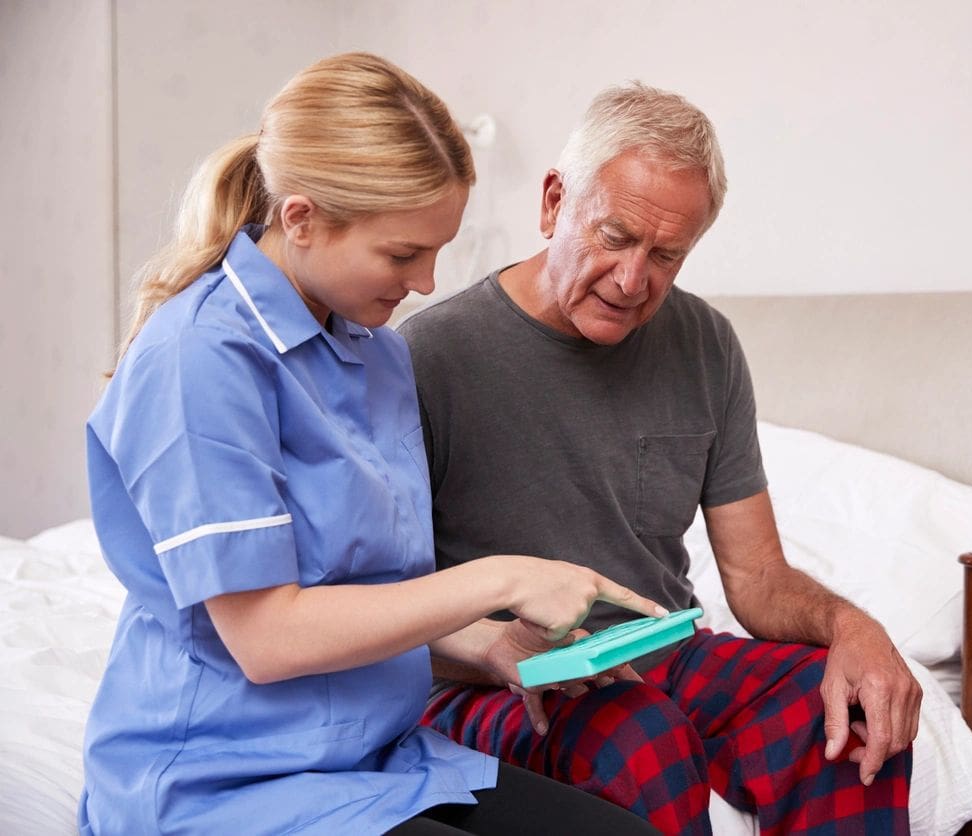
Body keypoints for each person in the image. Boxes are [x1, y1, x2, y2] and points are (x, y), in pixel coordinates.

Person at [79, 53, 666, 836]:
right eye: (401, 255)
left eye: (436, 251)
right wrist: (506, 577)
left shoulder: (376, 352)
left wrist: (491, 642)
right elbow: (266, 639)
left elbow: (356, 585)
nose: (426, 282)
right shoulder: (201, 358)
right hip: (222, 782)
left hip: (372, 758)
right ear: (301, 219)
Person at [398, 82, 923, 835]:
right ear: (553, 203)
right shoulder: (428, 357)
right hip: (494, 678)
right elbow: (386, 599)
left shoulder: (706, 346)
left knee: (845, 708)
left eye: (667, 255)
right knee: (639, 736)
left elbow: (758, 579)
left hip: (660, 654)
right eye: (615, 236)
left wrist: (852, 626)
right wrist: (501, 651)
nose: (633, 279)